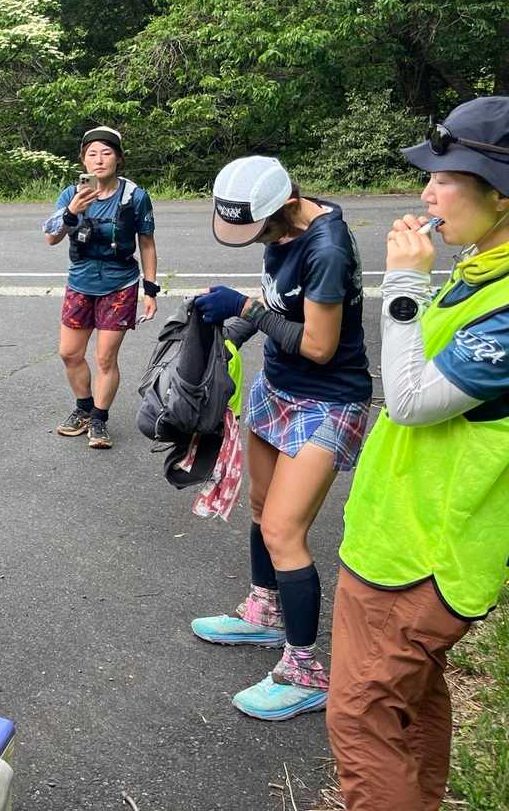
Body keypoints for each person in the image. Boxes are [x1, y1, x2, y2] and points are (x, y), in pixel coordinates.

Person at [328, 97, 509, 810]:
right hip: (405, 533)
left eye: (446, 179)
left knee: (361, 720)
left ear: (501, 195)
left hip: (424, 553)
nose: (427, 195)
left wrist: (404, 283)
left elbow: (407, 400)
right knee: (409, 704)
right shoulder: (482, 269)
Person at [190, 156, 372, 721]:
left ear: (286, 204)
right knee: (261, 506)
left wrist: (243, 307)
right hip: (278, 387)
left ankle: (304, 671)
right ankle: (264, 613)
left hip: (328, 400)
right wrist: (229, 333)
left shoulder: (327, 249)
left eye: (261, 229)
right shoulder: (285, 228)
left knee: (283, 530)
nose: (258, 240)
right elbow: (276, 301)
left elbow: (318, 345)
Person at [43, 126, 159, 448]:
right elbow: (51, 237)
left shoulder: (135, 197)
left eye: (106, 153)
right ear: (83, 160)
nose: (99, 160)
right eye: (92, 154)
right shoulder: (72, 194)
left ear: (118, 158)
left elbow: (147, 243)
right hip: (80, 282)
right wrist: (72, 211)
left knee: (105, 358)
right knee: (69, 353)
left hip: (120, 284)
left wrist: (150, 290)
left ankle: (99, 418)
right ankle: (83, 408)